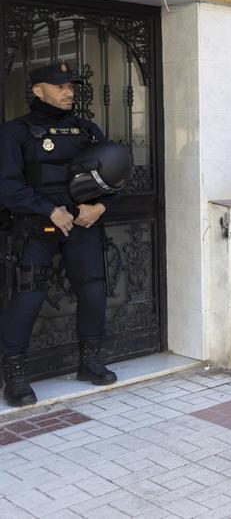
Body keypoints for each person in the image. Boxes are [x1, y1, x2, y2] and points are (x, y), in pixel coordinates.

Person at [0, 63, 120, 407]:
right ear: (38, 90)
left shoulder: (87, 131)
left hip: (82, 226)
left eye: (70, 86)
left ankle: (90, 362)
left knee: (93, 292)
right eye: (59, 86)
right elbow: (7, 186)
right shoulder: (15, 133)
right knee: (28, 299)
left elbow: (116, 173)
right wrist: (48, 210)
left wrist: (102, 207)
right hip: (36, 228)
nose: (68, 92)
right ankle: (16, 376)